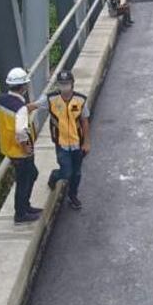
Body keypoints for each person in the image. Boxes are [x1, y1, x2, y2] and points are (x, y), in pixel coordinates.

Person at [0, 67, 41, 223]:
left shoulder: (0, 99)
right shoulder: (20, 108)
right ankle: (21, 214)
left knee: (32, 175)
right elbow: (21, 130)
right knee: (24, 181)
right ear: (23, 87)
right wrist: (25, 148)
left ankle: (25, 206)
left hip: (8, 148)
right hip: (20, 152)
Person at [46, 70, 91, 210]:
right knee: (67, 172)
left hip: (77, 143)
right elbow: (32, 107)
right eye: (61, 84)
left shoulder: (80, 100)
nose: (64, 87)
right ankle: (55, 175)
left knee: (76, 173)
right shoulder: (51, 99)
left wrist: (86, 142)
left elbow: (84, 121)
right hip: (61, 144)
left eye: (67, 84)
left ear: (72, 84)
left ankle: (72, 196)